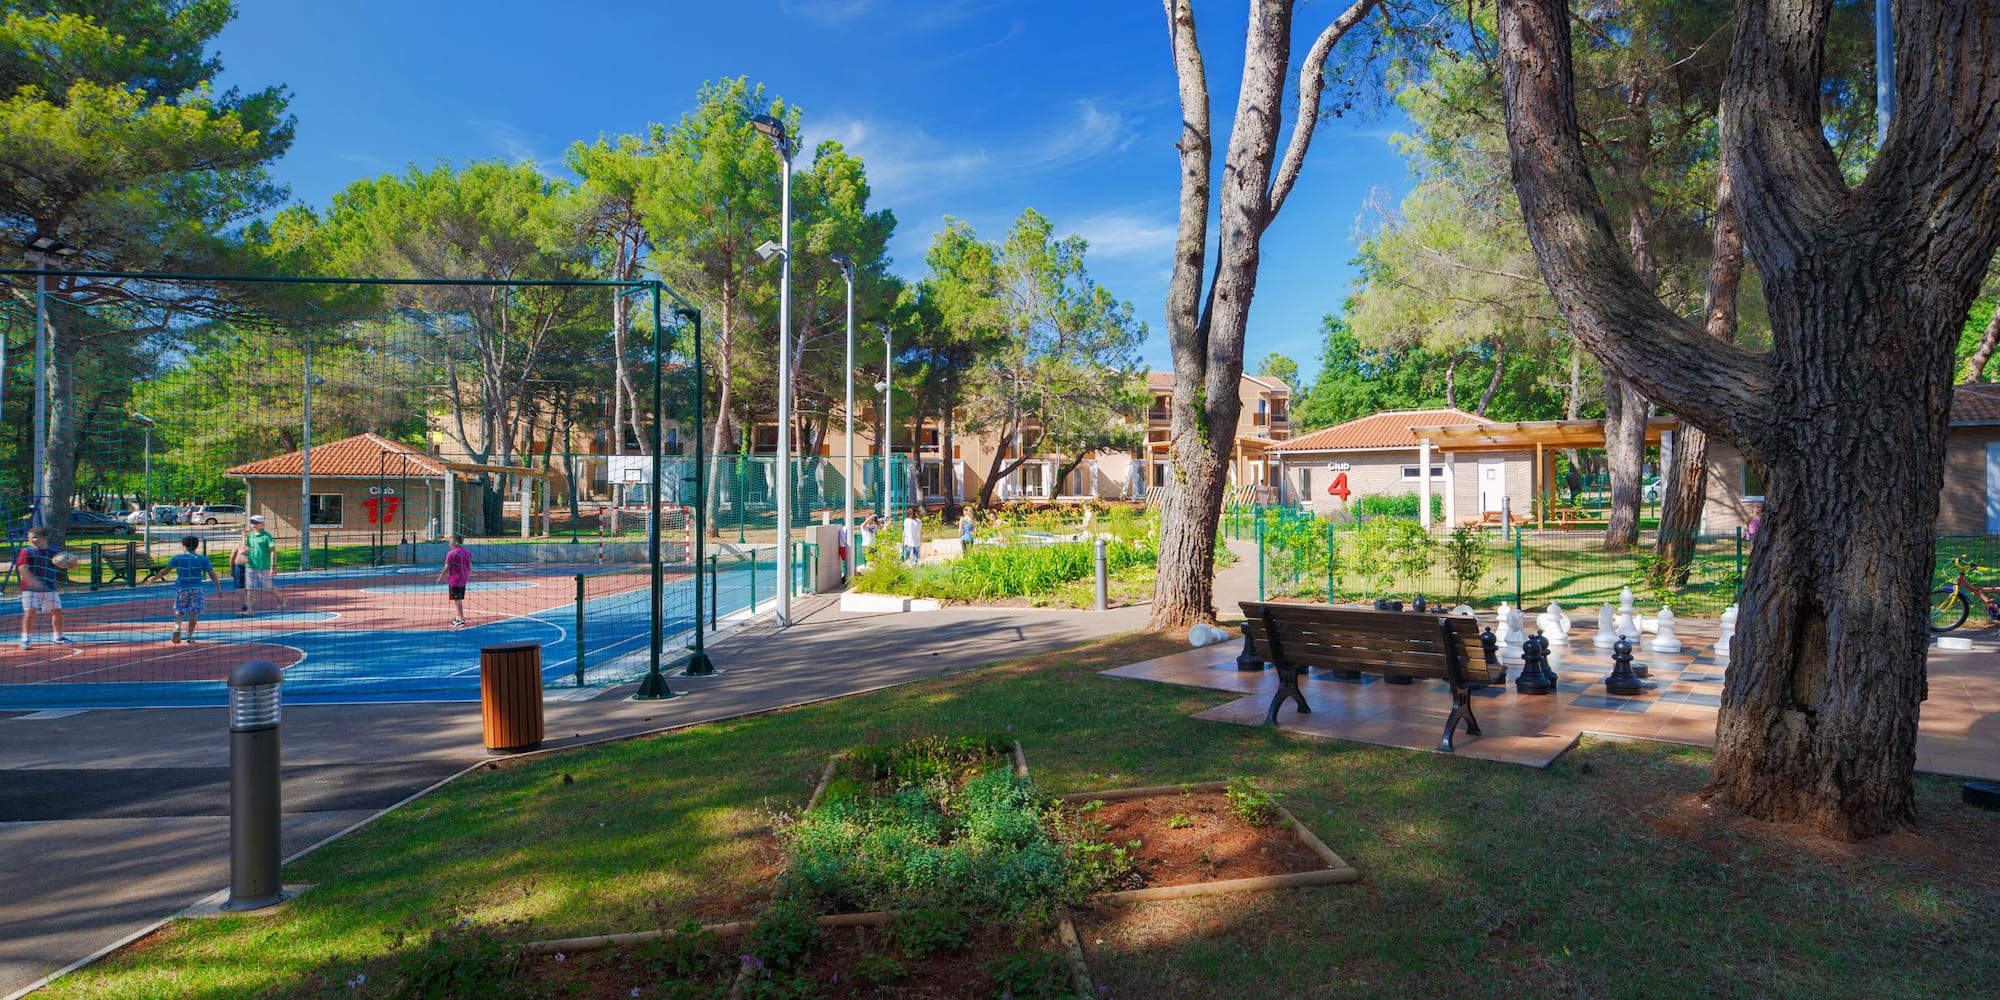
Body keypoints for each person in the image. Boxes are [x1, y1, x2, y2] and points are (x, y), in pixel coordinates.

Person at [15, 527, 71, 649]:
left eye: (34, 537)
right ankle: (26, 639)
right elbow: (22, 568)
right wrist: (31, 581)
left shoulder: (56, 551)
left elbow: (72, 564)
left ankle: (58, 636)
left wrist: (72, 562)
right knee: (31, 611)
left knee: (57, 611)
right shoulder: (27, 551)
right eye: (29, 538)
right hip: (29, 588)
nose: (31, 540)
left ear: (44, 538)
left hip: (49, 586)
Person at [167, 534, 220, 644]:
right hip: (197, 588)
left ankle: (177, 627)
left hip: (182, 587)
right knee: (194, 613)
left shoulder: (177, 558)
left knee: (180, 610)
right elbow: (212, 574)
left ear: (183, 546)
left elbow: (166, 570)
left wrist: (154, 578)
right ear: (197, 546)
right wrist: (218, 588)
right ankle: (189, 636)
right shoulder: (202, 559)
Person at [238, 515, 286, 616]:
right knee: (250, 587)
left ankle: (281, 600)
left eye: (256, 523)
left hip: (264, 565)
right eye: (252, 522)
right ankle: (250, 610)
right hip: (250, 565)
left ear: (262, 524)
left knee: (267, 587)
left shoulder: (266, 536)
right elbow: (243, 550)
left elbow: (272, 551)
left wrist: (274, 566)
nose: (253, 525)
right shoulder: (249, 536)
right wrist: (243, 537)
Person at [438, 534, 472, 627]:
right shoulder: (467, 552)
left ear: (454, 543)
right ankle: (458, 617)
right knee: (458, 599)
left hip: (454, 579)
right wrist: (467, 575)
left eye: (450, 542)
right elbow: (469, 566)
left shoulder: (451, 554)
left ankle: (461, 619)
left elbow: (447, 567)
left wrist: (441, 577)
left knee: (457, 600)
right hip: (463, 578)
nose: (449, 544)